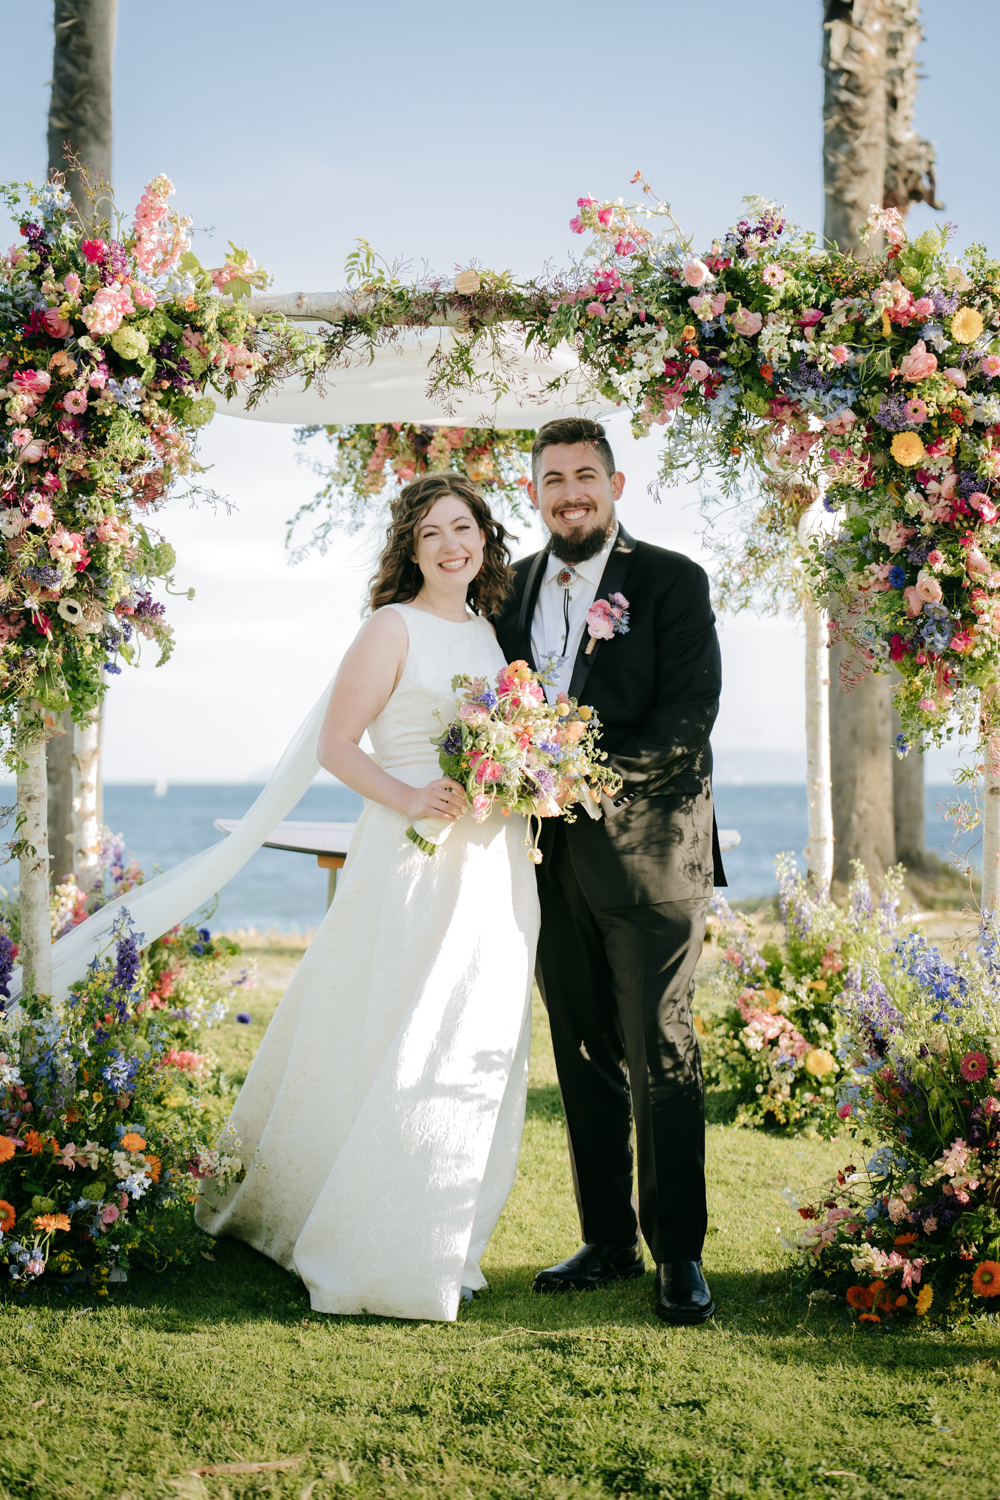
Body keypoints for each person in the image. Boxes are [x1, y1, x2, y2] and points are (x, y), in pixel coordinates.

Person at [195, 474, 539, 1322]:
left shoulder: (493, 635)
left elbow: (504, 742)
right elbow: (336, 745)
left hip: (493, 857)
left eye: (463, 528)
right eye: (431, 535)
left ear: (486, 538)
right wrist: (410, 794)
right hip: (416, 848)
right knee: (395, 1024)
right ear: (411, 551)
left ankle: (442, 1234)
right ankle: (369, 1234)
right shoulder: (392, 627)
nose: (452, 545)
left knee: (471, 1036)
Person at [494, 417, 726, 1325]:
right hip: (545, 862)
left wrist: (574, 777)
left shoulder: (670, 581)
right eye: (553, 480)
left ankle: (679, 1254)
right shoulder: (508, 591)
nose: (570, 493)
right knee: (583, 1052)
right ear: (536, 495)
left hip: (652, 856)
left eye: (585, 476)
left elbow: (688, 718)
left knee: (659, 1047)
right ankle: (605, 1239)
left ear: (616, 486)